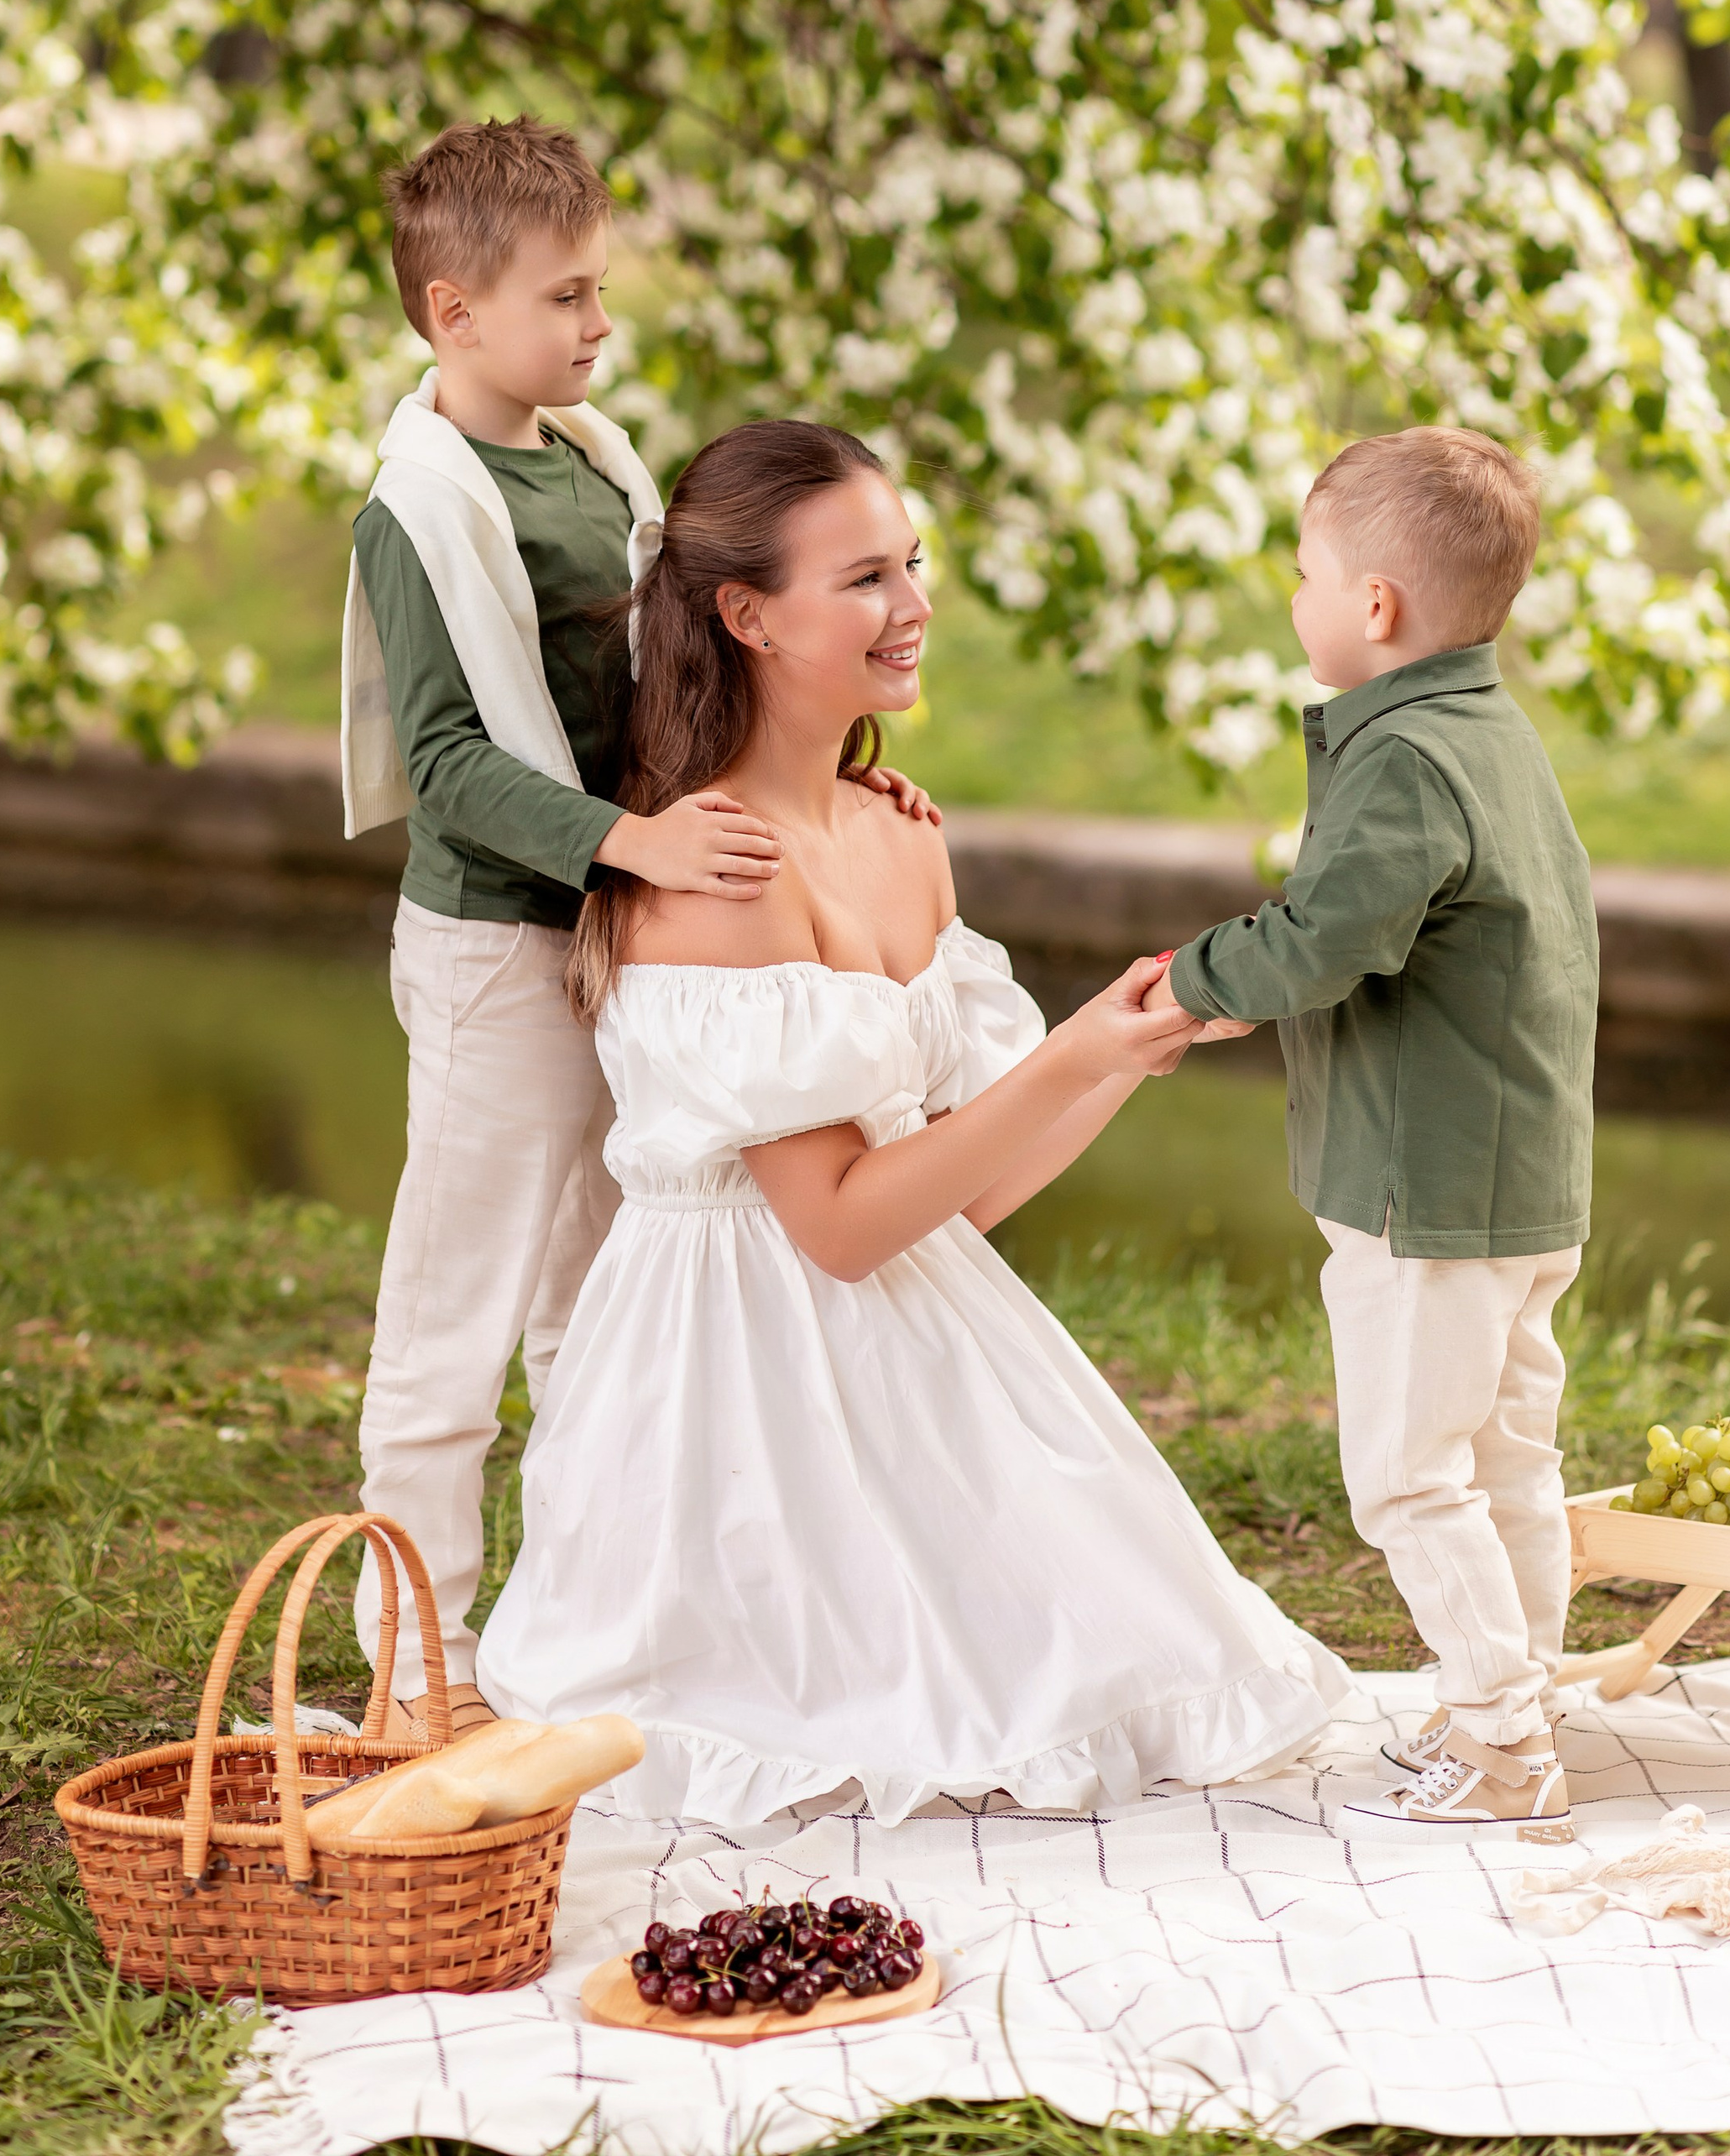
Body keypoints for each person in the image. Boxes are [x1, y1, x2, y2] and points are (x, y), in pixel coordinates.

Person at [473, 418, 1351, 1820]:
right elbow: (831, 1228)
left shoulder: (898, 831)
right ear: (748, 616)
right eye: (867, 578)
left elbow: (961, 1199)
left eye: (913, 565)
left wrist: (1120, 1054)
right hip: (734, 1373)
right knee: (897, 1696)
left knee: (1130, 1652)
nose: (916, 608)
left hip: (912, 1314)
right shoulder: (720, 865)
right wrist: (1069, 1056)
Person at [340, 123, 937, 1738]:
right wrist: (634, 839)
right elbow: (452, 765)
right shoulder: (422, 506)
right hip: (495, 947)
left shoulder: (594, 465)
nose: (597, 326)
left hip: (615, 928)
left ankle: (582, 1625)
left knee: (596, 1299)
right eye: (565, 297)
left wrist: (848, 788)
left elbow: (692, 669)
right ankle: (414, 1664)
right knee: (454, 1310)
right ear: (453, 312)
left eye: (601, 290)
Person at [1147, 428, 1597, 1845]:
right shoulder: (1490, 733)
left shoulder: (1403, 758)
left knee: (1409, 1473)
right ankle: (1513, 1708)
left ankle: (1508, 1748)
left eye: (1305, 574)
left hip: (1428, 1189)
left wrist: (1193, 984)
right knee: (1511, 1457)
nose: (1297, 598)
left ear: (1377, 608)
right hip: (1525, 1179)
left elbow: (1330, 936)